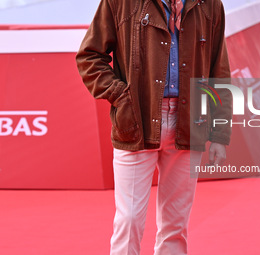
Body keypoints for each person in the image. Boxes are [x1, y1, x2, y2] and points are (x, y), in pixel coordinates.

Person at [76, 0, 232, 254]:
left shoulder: (211, 5)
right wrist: (122, 96)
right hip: (136, 123)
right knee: (128, 221)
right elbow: (89, 57)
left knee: (176, 225)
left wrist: (220, 133)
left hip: (189, 122)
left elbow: (219, 71)